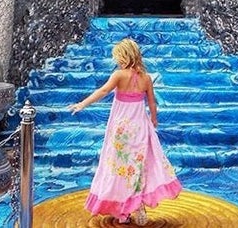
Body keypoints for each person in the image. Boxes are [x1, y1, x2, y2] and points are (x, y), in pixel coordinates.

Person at [69, 38, 181, 224]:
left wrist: (83, 104)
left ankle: (124, 210)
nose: (117, 61)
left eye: (117, 57)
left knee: (119, 169)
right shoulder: (146, 78)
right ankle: (137, 206)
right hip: (140, 128)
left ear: (123, 57)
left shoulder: (119, 75)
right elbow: (152, 102)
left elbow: (103, 91)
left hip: (121, 131)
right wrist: (154, 119)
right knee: (139, 168)